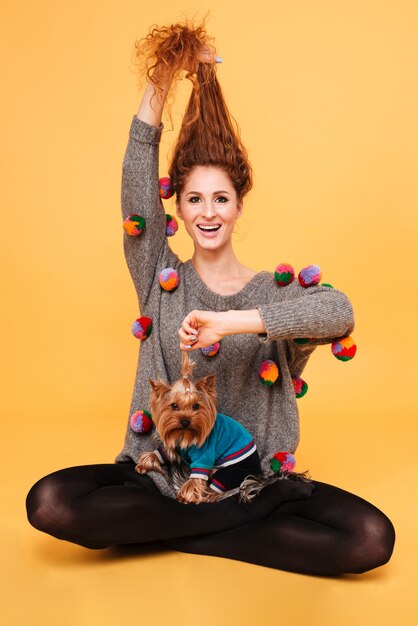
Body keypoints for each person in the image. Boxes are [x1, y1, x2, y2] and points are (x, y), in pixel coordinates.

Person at [26, 21, 395, 575]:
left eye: (220, 198)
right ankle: (216, 524)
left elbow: (339, 312)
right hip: (162, 477)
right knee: (49, 501)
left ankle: (165, 532)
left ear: (239, 205)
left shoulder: (275, 291)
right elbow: (134, 184)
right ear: (179, 208)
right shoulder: (160, 274)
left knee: (371, 538)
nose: (207, 212)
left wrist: (233, 323)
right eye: (194, 198)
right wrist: (162, 77)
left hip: (252, 482)